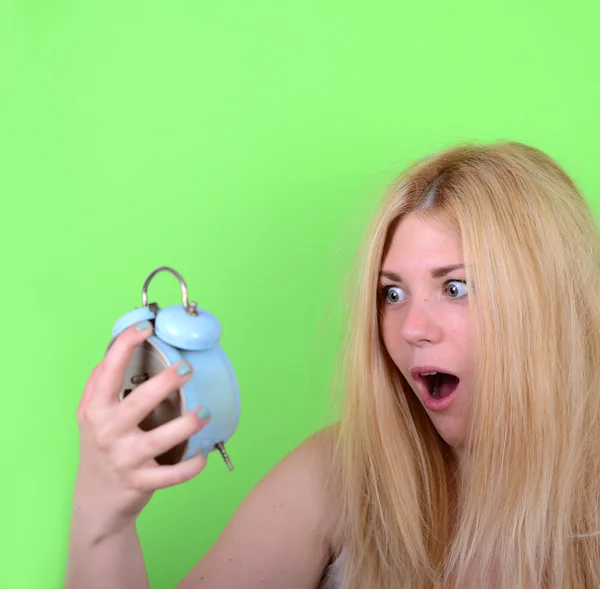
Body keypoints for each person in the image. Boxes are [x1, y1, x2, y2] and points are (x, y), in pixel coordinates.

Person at [65, 141, 600, 589]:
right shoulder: (338, 476)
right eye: (392, 294)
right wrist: (101, 518)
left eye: (454, 287)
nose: (412, 326)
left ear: (550, 301)